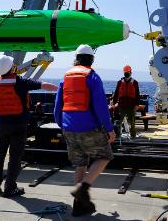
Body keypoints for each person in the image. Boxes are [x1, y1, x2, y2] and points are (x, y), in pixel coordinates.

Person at [54, 44, 116, 216]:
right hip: (88, 127)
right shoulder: (93, 77)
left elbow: (57, 106)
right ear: (91, 59)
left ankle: (78, 207)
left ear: (76, 59)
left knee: (80, 164)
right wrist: (110, 129)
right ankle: (83, 187)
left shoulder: (64, 77)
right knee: (105, 156)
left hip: (68, 127)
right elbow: (101, 107)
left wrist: (62, 124)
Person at [0, 55, 57, 197]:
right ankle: (10, 188)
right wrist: (62, 90)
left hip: (1, 124)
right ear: (12, 67)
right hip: (19, 125)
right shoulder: (20, 82)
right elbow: (44, 85)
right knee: (15, 157)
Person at [112, 65, 140, 138]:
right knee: (118, 123)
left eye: (128, 72)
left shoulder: (135, 82)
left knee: (132, 123)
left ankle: (133, 137)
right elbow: (116, 93)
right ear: (124, 73)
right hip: (121, 106)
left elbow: (137, 94)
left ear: (131, 72)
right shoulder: (120, 82)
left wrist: (137, 105)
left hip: (131, 106)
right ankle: (117, 136)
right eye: (125, 72)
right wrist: (114, 104)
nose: (127, 73)